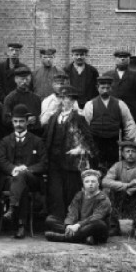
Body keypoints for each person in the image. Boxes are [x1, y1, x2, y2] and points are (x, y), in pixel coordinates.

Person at [44, 86, 98, 223]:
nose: (65, 101)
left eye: (68, 98)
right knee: (56, 192)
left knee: (70, 192)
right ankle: (57, 220)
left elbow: (90, 142)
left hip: (71, 162)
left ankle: (71, 221)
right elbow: (47, 138)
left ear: (73, 100)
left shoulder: (78, 118)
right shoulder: (53, 118)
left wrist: (80, 149)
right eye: (62, 98)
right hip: (54, 161)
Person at [0, 104, 48, 238]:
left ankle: (12, 208)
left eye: (21, 121)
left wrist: (28, 169)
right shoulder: (5, 141)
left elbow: (44, 163)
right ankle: (21, 225)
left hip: (32, 178)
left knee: (23, 177)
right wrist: (14, 169)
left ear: (27, 122)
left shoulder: (37, 141)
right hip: (11, 179)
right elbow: (2, 161)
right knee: (22, 186)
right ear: (12, 122)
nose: (18, 124)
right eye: (15, 121)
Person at [82, 76, 136, 170]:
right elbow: (84, 126)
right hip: (96, 141)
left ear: (111, 88)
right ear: (97, 88)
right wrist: (86, 144)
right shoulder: (90, 105)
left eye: (108, 88)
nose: (105, 90)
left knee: (113, 166)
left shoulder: (120, 104)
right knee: (95, 165)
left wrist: (127, 140)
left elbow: (129, 122)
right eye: (102, 88)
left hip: (113, 141)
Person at [45, 169, 111, 245]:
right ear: (83, 183)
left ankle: (64, 238)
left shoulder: (103, 198)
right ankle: (82, 237)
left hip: (93, 227)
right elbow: (73, 212)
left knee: (99, 224)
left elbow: (96, 217)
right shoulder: (79, 195)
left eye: (93, 181)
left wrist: (78, 225)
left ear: (98, 183)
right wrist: (69, 225)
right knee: (50, 219)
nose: (90, 184)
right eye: (87, 181)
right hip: (79, 227)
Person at [102, 140, 136, 236]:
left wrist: (132, 189)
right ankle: (113, 225)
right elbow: (105, 181)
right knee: (106, 191)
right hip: (120, 194)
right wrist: (127, 186)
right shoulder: (117, 165)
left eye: (133, 151)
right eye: (127, 151)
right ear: (123, 154)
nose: (130, 154)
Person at [102, 50, 136, 129]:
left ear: (129, 60)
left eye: (125, 57)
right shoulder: (107, 75)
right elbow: (102, 94)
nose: (122, 59)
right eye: (120, 57)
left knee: (128, 139)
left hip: (130, 114)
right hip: (110, 114)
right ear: (115, 59)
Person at [2, 66, 42, 135]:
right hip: (18, 135)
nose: (24, 82)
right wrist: (25, 121)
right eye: (22, 79)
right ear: (16, 79)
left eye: (27, 79)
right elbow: (6, 120)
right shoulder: (10, 98)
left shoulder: (36, 98)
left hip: (35, 135)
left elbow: (40, 117)